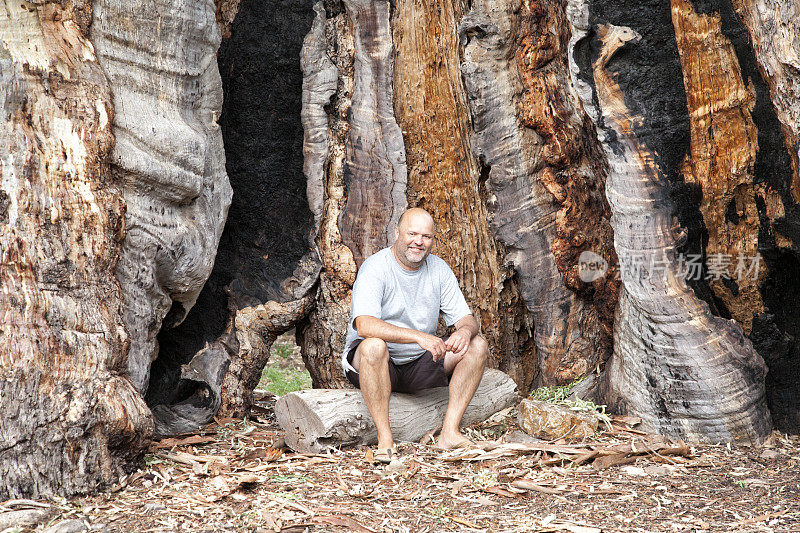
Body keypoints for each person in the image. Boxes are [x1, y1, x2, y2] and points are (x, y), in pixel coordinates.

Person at [341, 207, 489, 462]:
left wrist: (464, 331)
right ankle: (385, 439)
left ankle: (449, 433)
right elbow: (364, 325)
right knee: (373, 346)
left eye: (426, 236)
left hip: (420, 364)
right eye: (412, 233)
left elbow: (467, 318)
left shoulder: (439, 269)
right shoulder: (376, 267)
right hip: (377, 364)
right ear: (397, 233)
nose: (418, 242)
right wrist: (418, 336)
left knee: (477, 345)